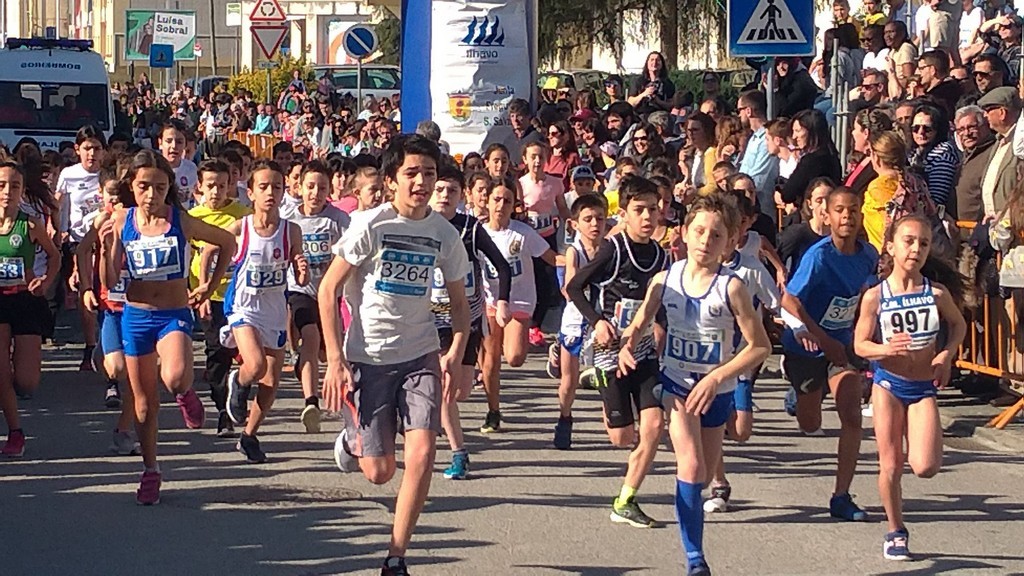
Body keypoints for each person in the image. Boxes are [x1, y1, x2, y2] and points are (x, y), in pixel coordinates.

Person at [318, 135, 471, 576]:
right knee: (380, 472)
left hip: (420, 353)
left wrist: (456, 352)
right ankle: (351, 441)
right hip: (368, 357)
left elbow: (459, 304)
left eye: (429, 173)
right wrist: (335, 359)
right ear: (390, 181)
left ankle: (396, 556)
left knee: (422, 453)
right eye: (411, 173)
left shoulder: (443, 233)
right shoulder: (371, 226)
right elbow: (328, 290)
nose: (421, 182)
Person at [618, 194, 771, 576]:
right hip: (678, 385)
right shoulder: (664, 279)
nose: (706, 240)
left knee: (701, 476)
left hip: (715, 391)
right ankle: (695, 559)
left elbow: (760, 346)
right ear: (684, 234)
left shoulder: (731, 287)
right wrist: (626, 346)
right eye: (699, 231)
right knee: (691, 462)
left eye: (716, 235)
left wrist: (720, 376)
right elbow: (639, 322)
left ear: (730, 241)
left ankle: (694, 550)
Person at [104, 150, 237, 504]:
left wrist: (208, 286)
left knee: (176, 376)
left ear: (169, 188)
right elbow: (110, 276)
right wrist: (108, 249)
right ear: (132, 186)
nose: (151, 195)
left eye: (160, 187)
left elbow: (227, 242)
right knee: (144, 406)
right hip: (136, 315)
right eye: (144, 186)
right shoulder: (122, 221)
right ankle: (150, 469)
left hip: (173, 312)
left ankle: (185, 393)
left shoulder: (180, 220)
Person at [852, 215, 966, 560]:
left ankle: (898, 518)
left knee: (925, 466)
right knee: (890, 465)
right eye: (908, 241)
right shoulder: (875, 296)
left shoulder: (935, 293)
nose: (915, 249)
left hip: (921, 388)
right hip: (887, 384)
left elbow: (958, 325)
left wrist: (945, 356)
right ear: (891, 246)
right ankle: (895, 530)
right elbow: (859, 344)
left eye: (923, 243)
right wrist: (885, 349)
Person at [565, 175, 670, 529]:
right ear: (623, 214)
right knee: (622, 437)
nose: (647, 218)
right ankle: (609, 405)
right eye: (639, 210)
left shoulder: (661, 255)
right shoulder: (614, 249)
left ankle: (625, 500)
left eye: (653, 210)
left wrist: (660, 330)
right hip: (608, 349)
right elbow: (575, 287)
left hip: (642, 351)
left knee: (654, 425)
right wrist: (596, 322)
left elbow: (661, 302)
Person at [781, 186, 879, 522]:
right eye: (839, 210)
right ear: (827, 215)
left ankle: (841, 496)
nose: (847, 217)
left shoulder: (868, 255)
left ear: (860, 214)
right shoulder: (818, 256)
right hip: (807, 345)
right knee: (811, 423)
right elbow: (789, 300)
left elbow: (866, 293)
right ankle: (799, 391)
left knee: (851, 416)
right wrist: (820, 338)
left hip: (843, 346)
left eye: (853, 210)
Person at [220, 161, 308, 462]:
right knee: (255, 365)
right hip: (243, 305)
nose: (271, 192)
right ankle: (239, 381)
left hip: (274, 310)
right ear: (251, 192)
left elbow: (301, 270)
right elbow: (210, 250)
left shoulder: (291, 230)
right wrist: (206, 284)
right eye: (264, 187)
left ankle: (249, 435)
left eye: (277, 187)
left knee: (271, 383)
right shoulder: (240, 227)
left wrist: (301, 266)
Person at [429, 167, 511, 479]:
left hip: (467, 317)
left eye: (451, 191)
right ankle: (459, 453)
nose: (444, 197)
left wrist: (501, 301)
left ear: (460, 196)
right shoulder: (421, 226)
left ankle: (435, 414)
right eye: (439, 191)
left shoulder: (471, 228)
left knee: (461, 391)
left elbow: (502, 266)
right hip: (431, 319)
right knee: (447, 387)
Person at [478, 179, 559, 434]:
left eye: (507, 201)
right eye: (497, 199)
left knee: (514, 357)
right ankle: (493, 410)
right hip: (489, 301)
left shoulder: (522, 232)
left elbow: (551, 257)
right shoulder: (478, 233)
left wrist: (583, 259)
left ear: (514, 205)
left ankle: (497, 352)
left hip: (520, 301)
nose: (501, 205)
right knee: (491, 361)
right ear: (487, 202)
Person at [281, 160, 350, 434]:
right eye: (310, 186)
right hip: (300, 291)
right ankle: (311, 401)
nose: (315, 193)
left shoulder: (339, 220)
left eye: (322, 187)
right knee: (310, 336)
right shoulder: (289, 218)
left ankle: (308, 368)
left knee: (327, 352)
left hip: (329, 293)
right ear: (300, 187)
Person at [76, 166, 140, 455]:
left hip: (140, 306)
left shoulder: (140, 220)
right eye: (110, 194)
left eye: (120, 194)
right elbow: (81, 251)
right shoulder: (102, 220)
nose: (115, 200)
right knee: (116, 367)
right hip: (111, 304)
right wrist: (87, 288)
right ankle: (111, 373)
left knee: (139, 375)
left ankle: (127, 428)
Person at [0, 159, 61, 457]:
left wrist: (45, 282)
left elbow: (54, 256)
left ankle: (10, 388)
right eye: (1, 186)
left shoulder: (30, 224)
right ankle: (15, 431)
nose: (7, 192)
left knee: (26, 381)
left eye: (14, 186)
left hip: (24, 301)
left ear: (23, 191)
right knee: (1, 373)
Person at [189, 160, 251, 437]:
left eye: (222, 186)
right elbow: (188, 258)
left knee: (246, 352)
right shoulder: (192, 218)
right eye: (210, 186)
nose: (216, 192)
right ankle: (223, 412)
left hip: (239, 296)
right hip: (208, 296)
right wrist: (196, 294)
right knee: (217, 353)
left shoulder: (242, 214)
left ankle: (239, 394)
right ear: (199, 187)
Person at [552, 194, 608, 449]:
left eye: (599, 218)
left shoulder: (611, 248)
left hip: (604, 318)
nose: (595, 224)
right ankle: (565, 416)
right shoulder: (575, 252)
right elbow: (570, 287)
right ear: (575, 224)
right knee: (569, 380)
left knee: (609, 375)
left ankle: (617, 417)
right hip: (577, 319)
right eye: (588, 219)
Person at [56, 125, 107, 373]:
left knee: (106, 291)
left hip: (106, 242)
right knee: (84, 292)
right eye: (87, 148)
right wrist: (60, 231)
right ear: (78, 150)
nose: (92, 154)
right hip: (78, 242)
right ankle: (89, 345)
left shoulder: (108, 175)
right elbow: (61, 206)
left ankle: (107, 342)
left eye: (97, 148)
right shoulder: (68, 174)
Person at [159, 120, 199, 206]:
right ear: (160, 143)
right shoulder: (153, 169)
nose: (174, 146)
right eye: (168, 141)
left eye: (179, 142)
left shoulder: (191, 168)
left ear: (185, 145)